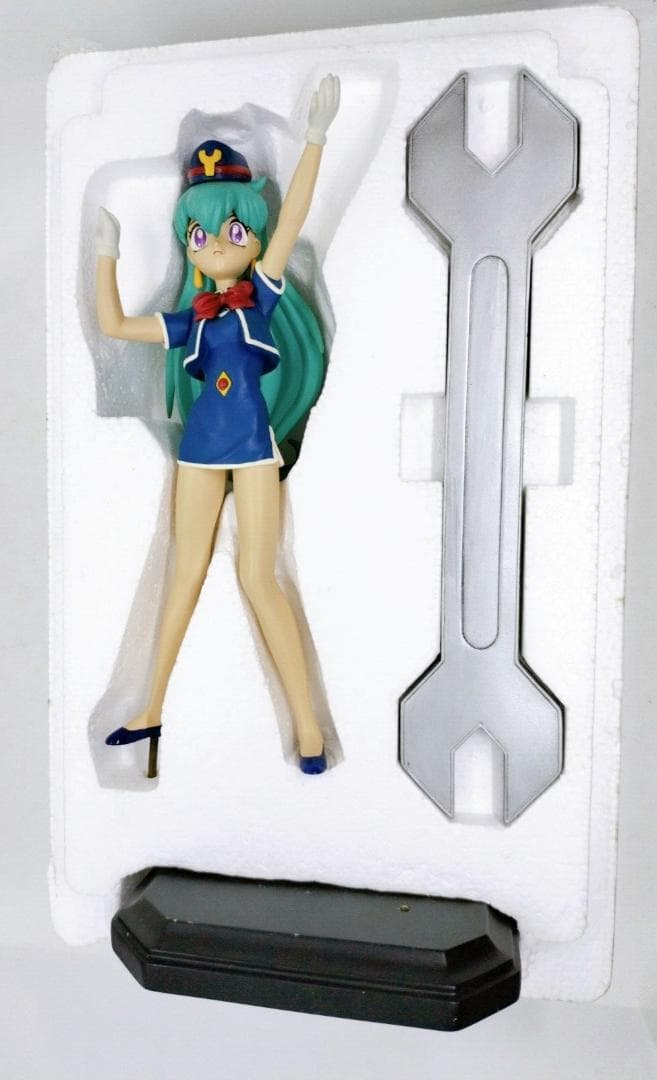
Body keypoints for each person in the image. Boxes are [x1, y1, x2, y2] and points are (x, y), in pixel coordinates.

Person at [96, 74, 340, 779]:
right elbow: (115, 325)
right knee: (185, 573)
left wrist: (315, 139)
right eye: (199, 235)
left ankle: (307, 726)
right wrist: (106, 253)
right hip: (199, 454)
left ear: (250, 233)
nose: (215, 245)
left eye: (232, 230)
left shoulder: (258, 296)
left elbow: (291, 220)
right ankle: (149, 708)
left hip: (256, 451)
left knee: (260, 576)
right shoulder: (190, 319)